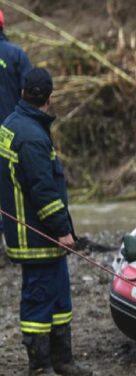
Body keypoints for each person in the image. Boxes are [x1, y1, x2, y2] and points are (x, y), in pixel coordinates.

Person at [0, 67, 92, 376]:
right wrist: (62, 230)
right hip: (36, 234)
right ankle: (39, 368)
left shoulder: (14, 124)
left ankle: (61, 359)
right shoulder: (31, 136)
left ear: (24, 92)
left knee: (60, 297)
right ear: (49, 98)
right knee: (39, 299)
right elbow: (43, 190)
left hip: (32, 231)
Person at [0, 9, 33, 245]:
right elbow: (31, 93)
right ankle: (15, 240)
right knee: (15, 188)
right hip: (12, 135)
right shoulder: (17, 55)